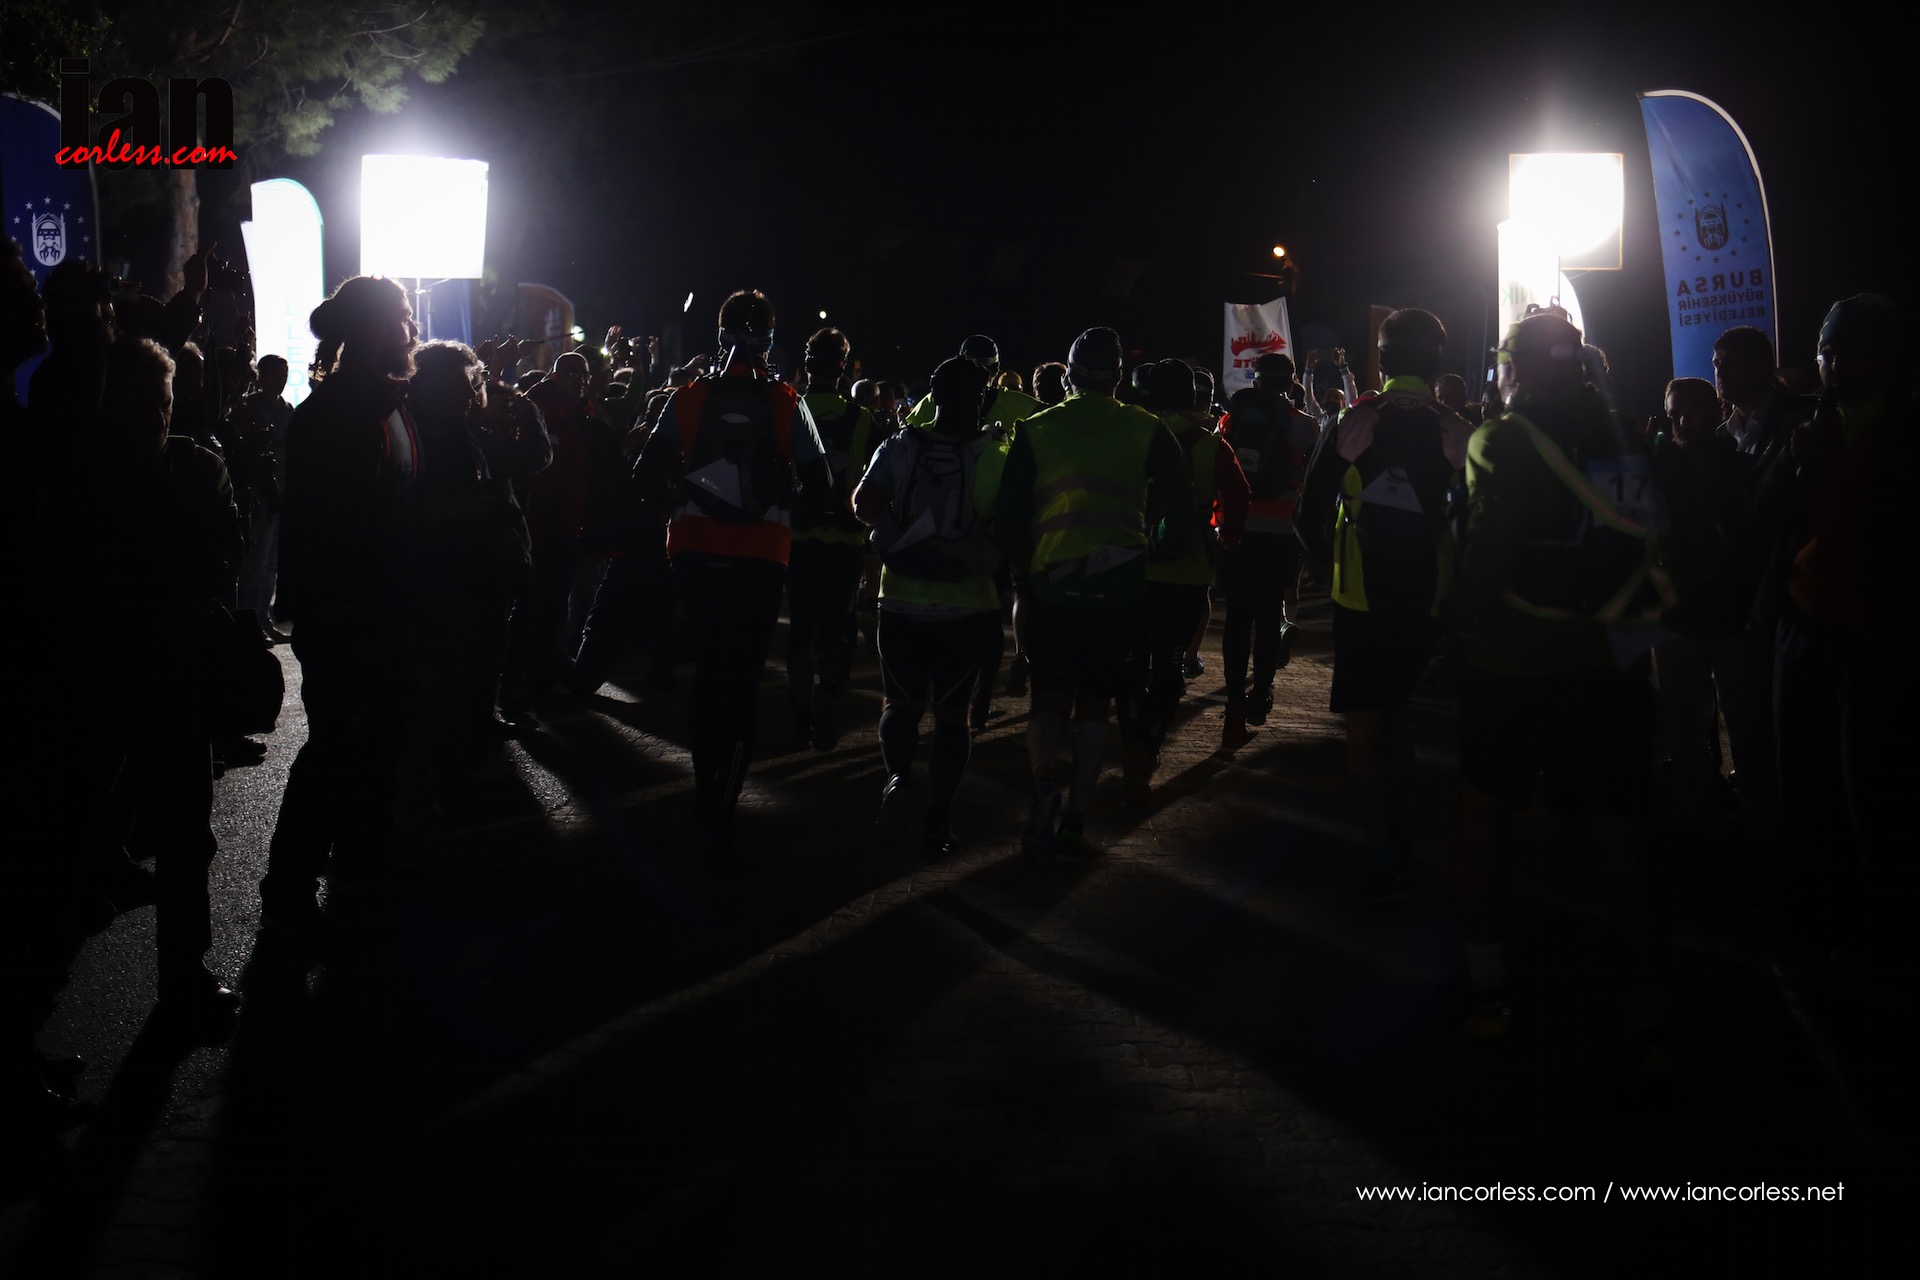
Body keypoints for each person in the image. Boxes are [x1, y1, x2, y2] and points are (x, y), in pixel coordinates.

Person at [1447, 307, 1671, 1056]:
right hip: (1608, 660)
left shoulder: (1503, 438)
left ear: (1512, 368)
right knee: (1619, 838)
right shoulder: (1622, 435)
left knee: (1482, 822)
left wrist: (1458, 627)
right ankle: (1646, 1006)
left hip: (1515, 661)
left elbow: (1490, 544)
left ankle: (1490, 992)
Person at [631, 290, 831, 858]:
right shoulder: (787, 401)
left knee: (707, 675)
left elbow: (645, 476)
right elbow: (821, 489)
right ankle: (725, 809)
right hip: (762, 556)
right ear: (770, 338)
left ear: (719, 335)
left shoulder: (689, 397)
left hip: (695, 551)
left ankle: (702, 795)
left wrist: (687, 498)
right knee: (742, 679)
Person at [259, 275, 421, 940]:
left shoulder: (383, 401)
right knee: (336, 747)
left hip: (378, 605)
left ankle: (362, 860)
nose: (411, 330)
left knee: (372, 741)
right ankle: (288, 888)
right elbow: (340, 524)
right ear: (377, 327)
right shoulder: (339, 411)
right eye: (403, 317)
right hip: (350, 610)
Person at [996, 327, 1196, 861]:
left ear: (1070, 373)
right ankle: (1076, 822)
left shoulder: (1036, 427)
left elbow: (1008, 515)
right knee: (1095, 705)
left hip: (1052, 583)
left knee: (1049, 696)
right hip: (1120, 587)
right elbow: (1181, 511)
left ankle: (1044, 777)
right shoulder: (1148, 429)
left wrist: (1024, 572)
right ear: (1118, 377)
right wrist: (1153, 546)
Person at [1298, 309, 1469, 901]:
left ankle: (1383, 849)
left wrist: (1329, 567)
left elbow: (1307, 513)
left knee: (1363, 732)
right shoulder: (1456, 429)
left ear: (1385, 357)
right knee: (1399, 716)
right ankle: (1400, 827)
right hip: (1427, 598)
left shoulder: (1356, 420)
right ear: (1437, 361)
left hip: (1361, 598)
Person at [854, 356, 1007, 857]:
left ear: (933, 397)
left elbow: (864, 506)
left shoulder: (901, 445)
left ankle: (897, 779)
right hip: (967, 605)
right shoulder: (993, 453)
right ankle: (939, 818)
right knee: (952, 715)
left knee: (899, 704)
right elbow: (1007, 526)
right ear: (983, 400)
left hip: (901, 599)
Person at [1123, 359, 1247, 797]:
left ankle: (1131, 737)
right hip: (1188, 571)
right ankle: (1152, 742)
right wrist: (1227, 536)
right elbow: (1239, 495)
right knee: (1169, 662)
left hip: (1131, 567)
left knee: (1130, 661)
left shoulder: (1131, 436)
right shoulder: (1211, 445)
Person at [1218, 351, 1320, 748]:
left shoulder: (1231, 420)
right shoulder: (1305, 425)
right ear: (1291, 383)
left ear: (1256, 382)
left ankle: (1233, 703)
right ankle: (1261, 696)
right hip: (1281, 534)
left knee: (1237, 619)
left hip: (1239, 530)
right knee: (1268, 615)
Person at [787, 327, 880, 750]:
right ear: (843, 368)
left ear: (807, 366)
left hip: (798, 538)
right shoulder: (862, 419)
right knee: (835, 627)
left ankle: (799, 709)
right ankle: (828, 697)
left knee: (800, 627)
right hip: (845, 542)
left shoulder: (789, 409)